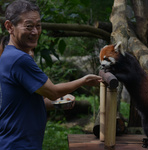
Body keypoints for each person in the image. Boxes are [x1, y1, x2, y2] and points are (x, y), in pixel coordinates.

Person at [0, 0, 102, 149]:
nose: (35, 32)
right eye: (29, 26)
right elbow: (53, 92)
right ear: (9, 26)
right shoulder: (19, 59)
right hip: (18, 144)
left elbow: (28, 102)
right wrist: (83, 81)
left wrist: (56, 104)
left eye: (38, 26)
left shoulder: (9, 55)